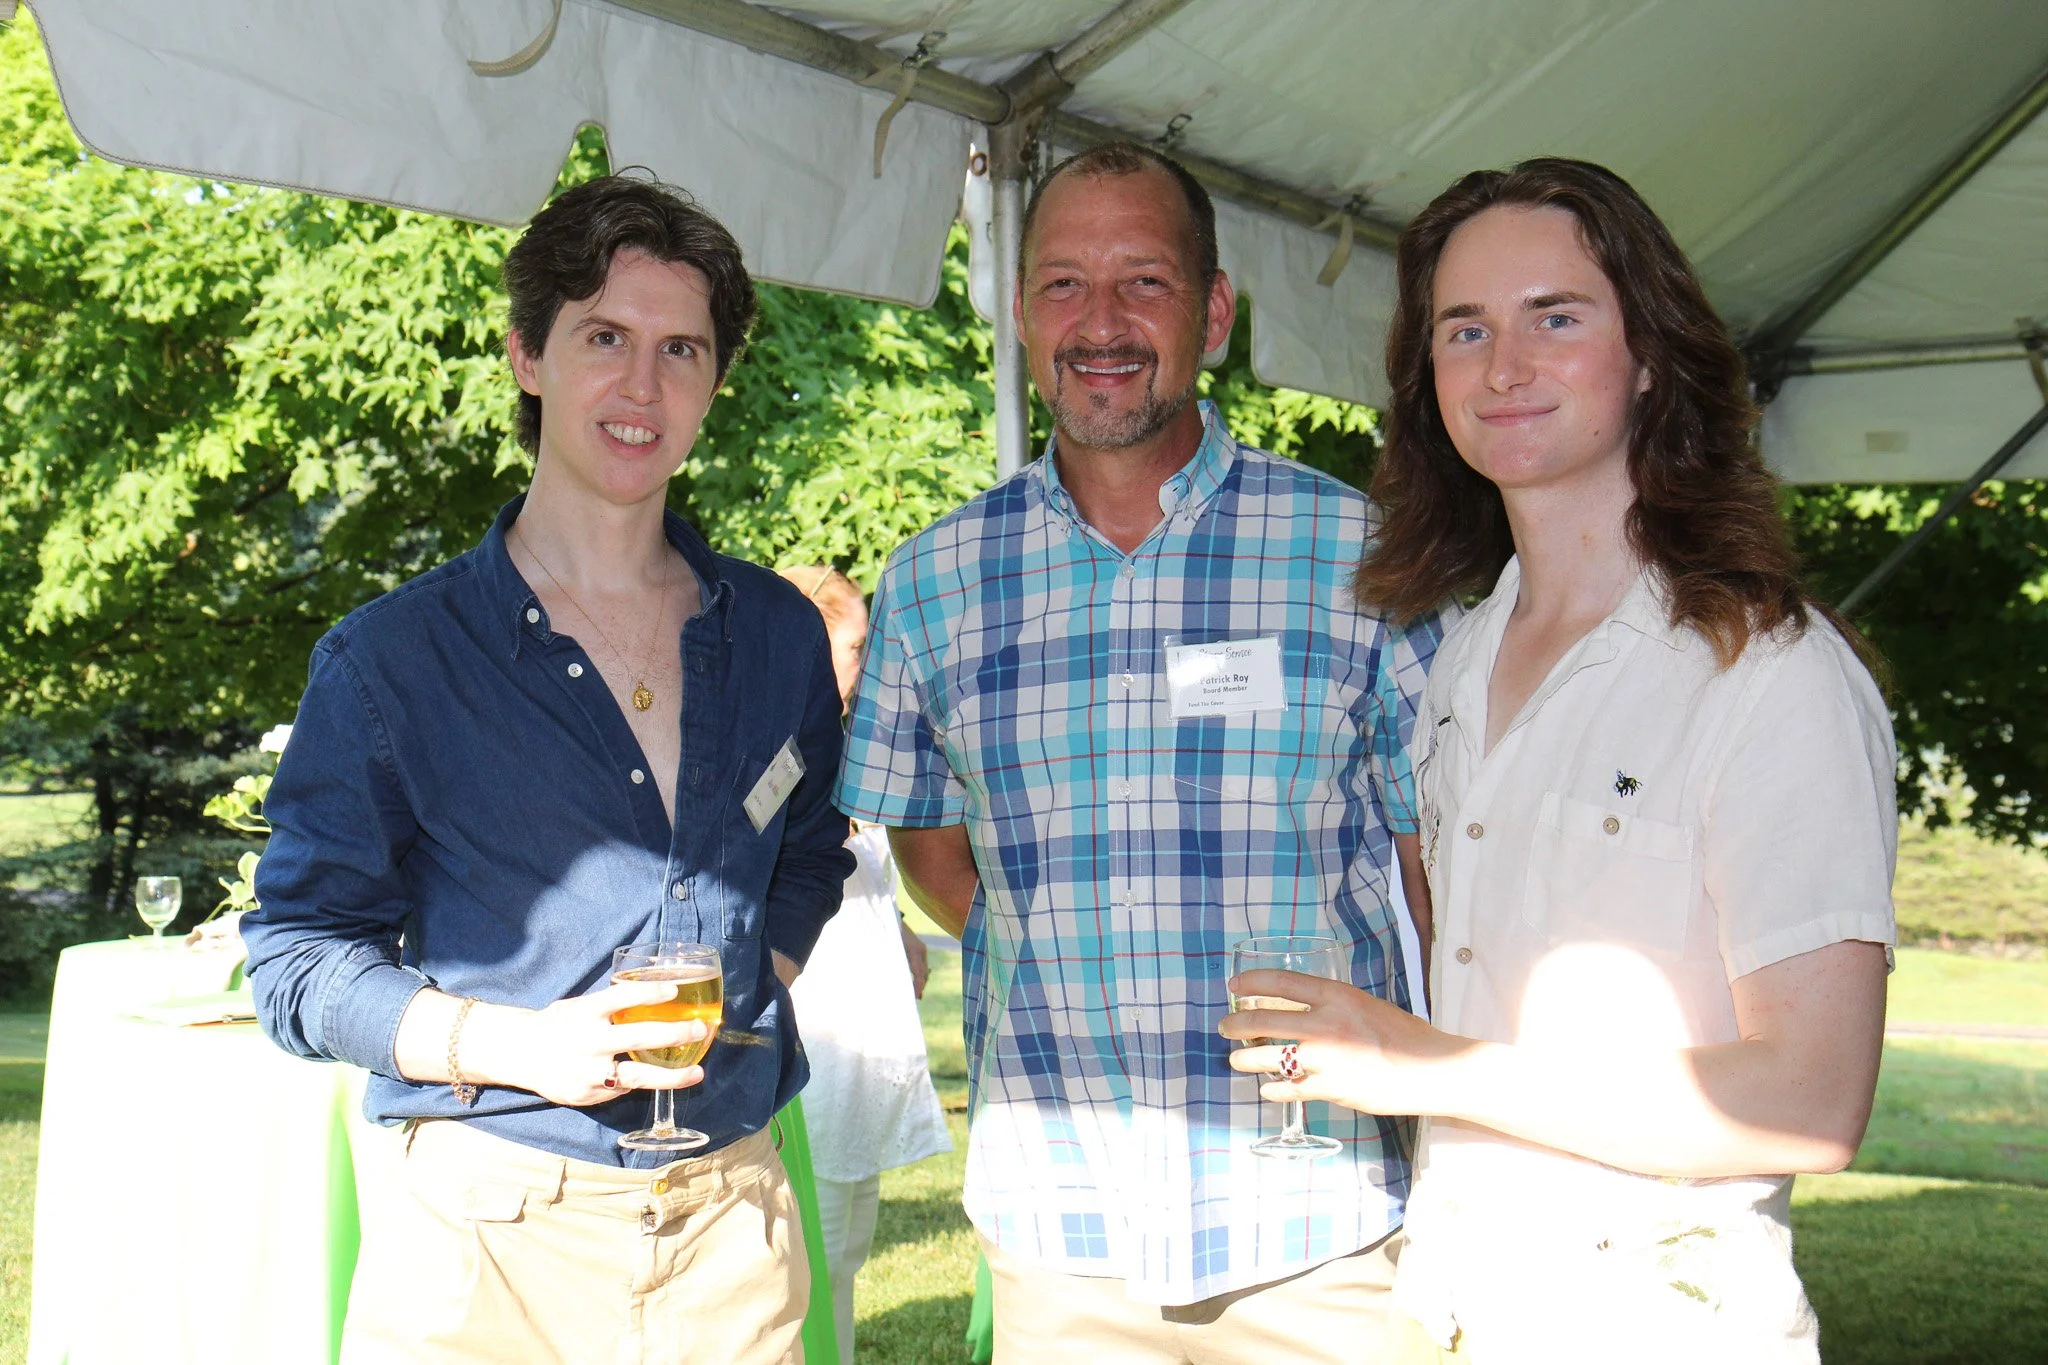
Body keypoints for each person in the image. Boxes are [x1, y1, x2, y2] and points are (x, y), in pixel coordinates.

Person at [1221, 158, 1896, 1364]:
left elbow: (1808, 1103)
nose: (1503, 366)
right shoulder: (1456, 664)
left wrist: (1427, 1064)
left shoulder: (1766, 672)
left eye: (1556, 317)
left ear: (1648, 356)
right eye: (1463, 329)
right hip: (1449, 1312)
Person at [835, 141, 1443, 1363]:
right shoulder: (935, 580)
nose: (1098, 322)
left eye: (1143, 282)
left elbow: (1442, 872)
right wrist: (1066, 942)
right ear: (1017, 314)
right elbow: (929, 846)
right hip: (1062, 1238)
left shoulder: (1362, 560)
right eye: (1062, 284)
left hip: (1316, 1229)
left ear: (1212, 311)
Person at [240, 174, 854, 1365]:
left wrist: (756, 967)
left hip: (734, 1234)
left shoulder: (779, 633)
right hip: (487, 1247)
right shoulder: (391, 662)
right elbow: (298, 960)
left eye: (682, 349)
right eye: (603, 338)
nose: (642, 387)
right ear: (528, 357)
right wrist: (517, 1047)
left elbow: (813, 846)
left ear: (715, 383)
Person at [778, 564, 952, 1365]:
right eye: (857, 642)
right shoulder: (780, 744)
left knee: (847, 1237)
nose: (872, 654)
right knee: (816, 1239)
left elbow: (869, 860)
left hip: (864, 993)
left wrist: (905, 930)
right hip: (823, 1008)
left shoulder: (844, 736)